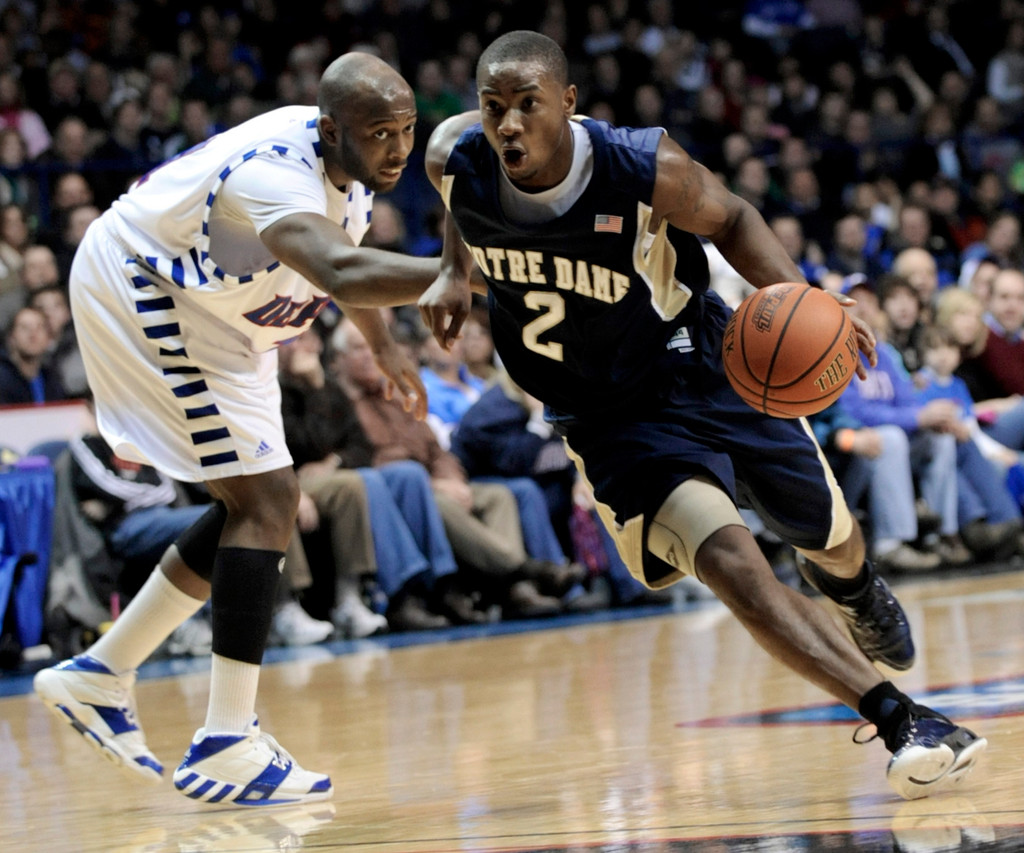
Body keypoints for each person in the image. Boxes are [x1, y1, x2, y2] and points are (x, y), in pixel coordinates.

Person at [416, 30, 986, 800]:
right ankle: (901, 718)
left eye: (527, 105)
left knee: (828, 537)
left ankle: (853, 589)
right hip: (608, 417)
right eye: (494, 109)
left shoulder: (639, 163)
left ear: (569, 103)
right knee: (730, 562)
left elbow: (737, 219)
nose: (508, 124)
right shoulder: (458, 155)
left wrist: (810, 297)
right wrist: (456, 272)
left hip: (705, 364)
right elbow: (461, 203)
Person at [33, 52, 446, 807]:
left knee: (256, 506)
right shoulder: (272, 174)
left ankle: (99, 674)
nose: (398, 148)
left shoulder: (345, 176)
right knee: (264, 500)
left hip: (224, 316)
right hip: (147, 285)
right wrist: (466, 271)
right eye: (380, 131)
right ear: (331, 129)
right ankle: (226, 742)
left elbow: (341, 272)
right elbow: (347, 271)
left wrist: (385, 347)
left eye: (408, 129)